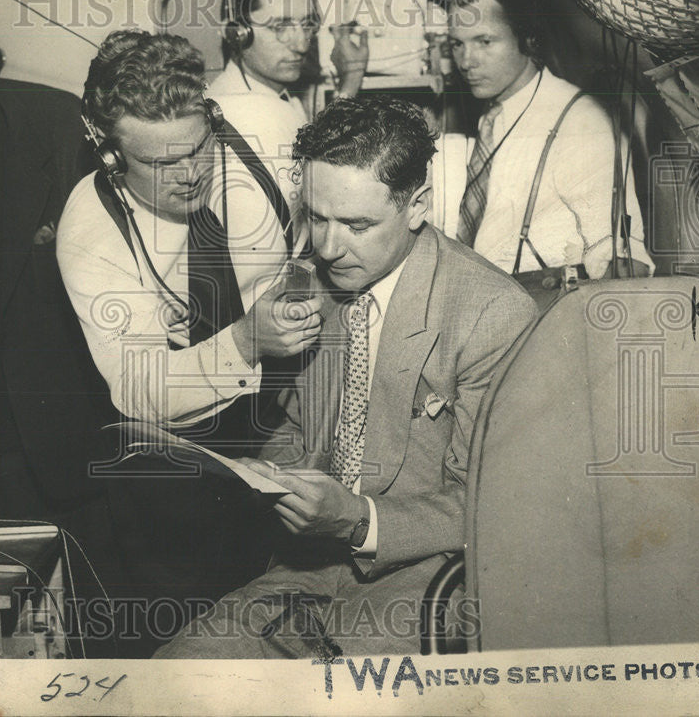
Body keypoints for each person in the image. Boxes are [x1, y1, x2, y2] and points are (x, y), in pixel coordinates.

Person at [154, 95, 538, 658]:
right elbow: (293, 427)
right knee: (177, 671)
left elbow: (489, 506)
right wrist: (275, 475)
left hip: (429, 581)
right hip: (307, 571)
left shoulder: (491, 314)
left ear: (417, 206)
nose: (328, 248)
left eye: (357, 224)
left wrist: (358, 520)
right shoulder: (307, 282)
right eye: (316, 216)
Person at [56, 30, 325, 653]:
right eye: (159, 163)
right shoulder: (91, 233)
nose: (191, 175)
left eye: (199, 149)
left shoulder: (257, 133)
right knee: (196, 643)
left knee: (296, 628)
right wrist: (244, 341)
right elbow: (141, 390)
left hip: (285, 429)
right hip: (177, 472)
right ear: (106, 150)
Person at [446, 0, 653, 278]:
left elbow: (621, 262)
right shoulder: (493, 115)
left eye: (484, 41)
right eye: (457, 44)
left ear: (527, 38)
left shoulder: (579, 123)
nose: (466, 61)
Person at [208, 0, 369, 239]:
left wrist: (351, 77)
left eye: (306, 24)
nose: (300, 44)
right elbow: (328, 183)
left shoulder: (280, 97)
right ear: (237, 33)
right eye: (280, 27)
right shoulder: (233, 109)